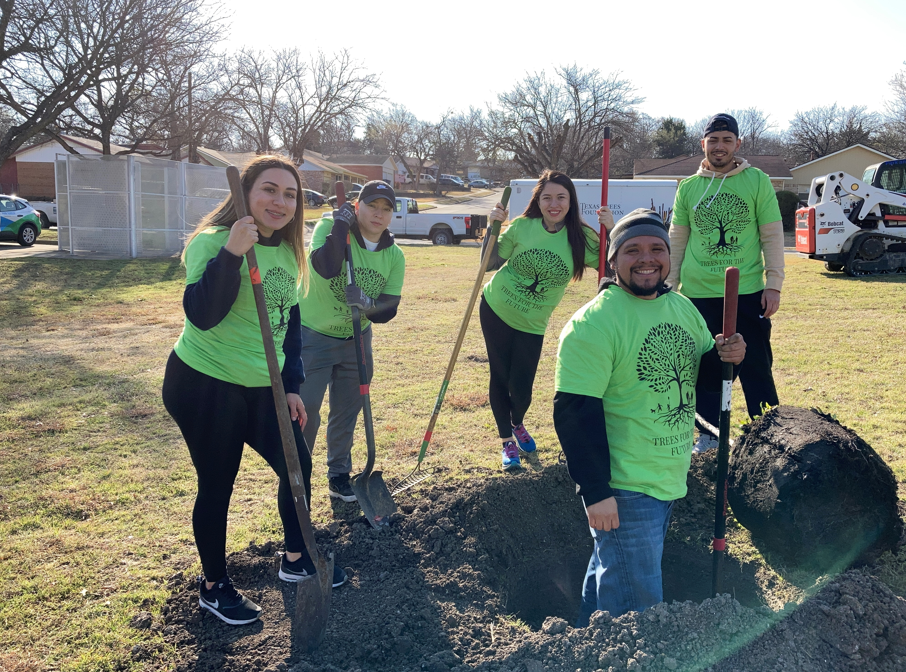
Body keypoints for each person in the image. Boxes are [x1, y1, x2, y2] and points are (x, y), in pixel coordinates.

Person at [162, 156, 347, 627]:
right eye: (269, 190)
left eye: (290, 195)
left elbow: (289, 324)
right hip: (207, 383)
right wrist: (231, 252)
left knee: (296, 465)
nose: (280, 202)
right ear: (244, 193)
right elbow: (203, 314)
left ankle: (296, 557)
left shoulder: (288, 252)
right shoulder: (213, 242)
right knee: (218, 482)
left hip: (264, 384)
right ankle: (213, 586)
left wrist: (290, 387)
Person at [553, 209, 746, 623]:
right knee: (639, 609)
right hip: (625, 487)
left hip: (666, 475)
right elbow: (573, 413)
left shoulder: (680, 307)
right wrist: (596, 491)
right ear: (613, 259)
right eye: (633, 249)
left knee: (616, 569)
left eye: (657, 248)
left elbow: (707, 377)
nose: (647, 258)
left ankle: (585, 638)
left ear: (669, 256)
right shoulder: (595, 323)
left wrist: (728, 357)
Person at [667, 113, 784, 452]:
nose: (720, 146)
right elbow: (677, 239)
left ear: (738, 144)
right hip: (698, 295)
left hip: (746, 293)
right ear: (703, 144)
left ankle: (770, 438)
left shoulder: (757, 181)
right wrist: (669, 285)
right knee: (705, 368)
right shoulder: (688, 188)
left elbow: (772, 234)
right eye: (713, 140)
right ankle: (708, 436)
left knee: (756, 366)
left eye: (727, 140)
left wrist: (773, 283)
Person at [481, 169, 610, 471]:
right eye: (547, 197)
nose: (554, 204)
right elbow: (488, 264)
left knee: (522, 388)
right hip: (497, 308)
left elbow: (610, 268)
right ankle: (507, 443)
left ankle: (517, 422)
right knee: (500, 377)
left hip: (533, 323)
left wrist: (611, 230)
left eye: (561, 197)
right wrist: (492, 228)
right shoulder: (522, 227)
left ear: (571, 201)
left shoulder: (582, 238)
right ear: (538, 201)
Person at [298, 180, 405, 501]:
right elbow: (326, 267)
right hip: (312, 335)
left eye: (386, 209)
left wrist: (369, 305)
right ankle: (297, 476)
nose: (378, 214)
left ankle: (339, 475)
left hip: (356, 339)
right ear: (357, 206)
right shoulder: (330, 227)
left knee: (346, 410)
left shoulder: (394, 256)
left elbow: (388, 310)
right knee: (306, 411)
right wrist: (341, 226)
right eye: (372, 205)